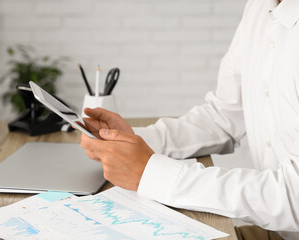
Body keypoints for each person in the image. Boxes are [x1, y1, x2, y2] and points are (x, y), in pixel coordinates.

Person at [80, 0, 299, 239]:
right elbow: (222, 116)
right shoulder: (259, 7)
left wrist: (152, 174)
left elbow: (295, 197)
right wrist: (134, 141)